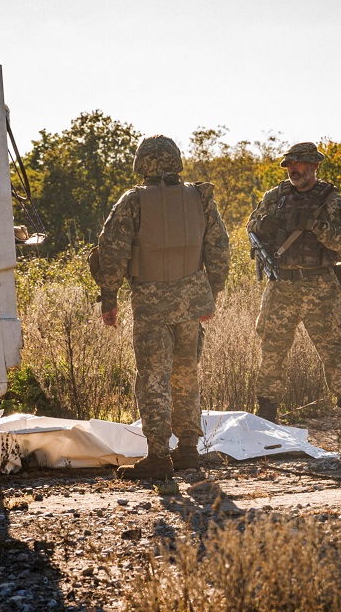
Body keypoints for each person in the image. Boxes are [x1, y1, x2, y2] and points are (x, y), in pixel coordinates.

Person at [94, 135, 230, 479]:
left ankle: (158, 456)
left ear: (142, 163)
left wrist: (109, 299)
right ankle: (187, 450)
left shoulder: (134, 200)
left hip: (151, 305)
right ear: (175, 161)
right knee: (186, 375)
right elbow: (219, 250)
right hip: (191, 302)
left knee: (154, 377)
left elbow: (112, 252)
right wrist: (209, 294)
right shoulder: (199, 198)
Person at [246, 142, 341, 440]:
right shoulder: (276, 196)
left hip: (319, 285)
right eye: (289, 166)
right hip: (281, 284)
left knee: (334, 350)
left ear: (314, 166)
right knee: (272, 349)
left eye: (298, 166)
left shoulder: (331, 199)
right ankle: (266, 417)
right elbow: (251, 228)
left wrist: (315, 226)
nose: (292, 171)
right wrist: (265, 225)